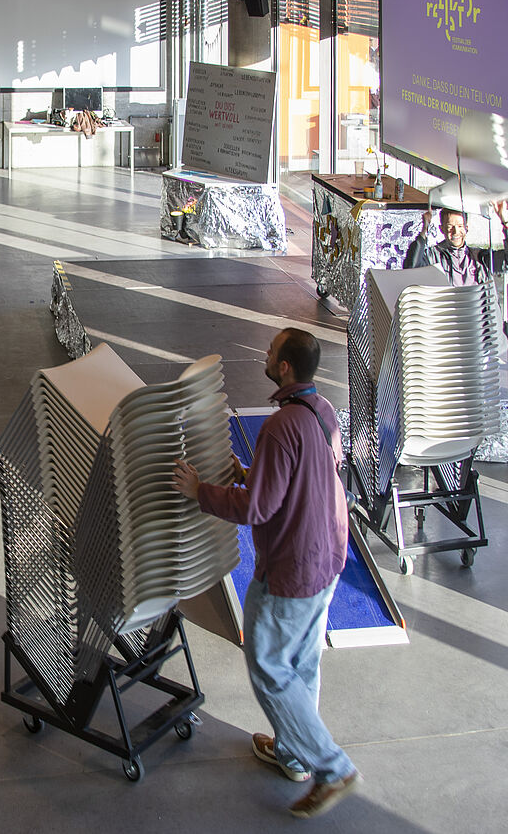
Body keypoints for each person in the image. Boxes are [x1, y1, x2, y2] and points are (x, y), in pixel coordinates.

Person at [171, 328, 361, 819]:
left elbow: (258, 509)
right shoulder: (323, 411)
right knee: (303, 663)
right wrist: (249, 473)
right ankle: (294, 754)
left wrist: (199, 491)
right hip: (328, 557)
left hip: (291, 570)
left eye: (272, 350)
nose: (266, 353)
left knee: (270, 668)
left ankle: (333, 768)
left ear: (285, 368)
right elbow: (300, 478)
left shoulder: (279, 427)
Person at [404, 200, 508, 285]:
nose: (456, 232)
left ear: (467, 228)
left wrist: (505, 222)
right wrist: (424, 230)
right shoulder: (433, 256)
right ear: (441, 229)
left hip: (478, 312)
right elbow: (411, 268)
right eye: (450, 227)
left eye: (460, 226)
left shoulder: (480, 258)